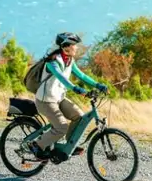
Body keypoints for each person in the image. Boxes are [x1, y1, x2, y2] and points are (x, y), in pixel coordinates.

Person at [29, 32, 107, 161]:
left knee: (79, 116)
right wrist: (75, 88)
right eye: (74, 45)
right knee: (61, 127)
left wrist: (98, 85)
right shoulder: (53, 62)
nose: (76, 48)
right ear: (66, 46)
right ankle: (36, 145)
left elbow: (81, 75)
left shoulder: (69, 60)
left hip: (58, 99)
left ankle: (69, 145)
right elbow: (62, 78)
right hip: (46, 101)